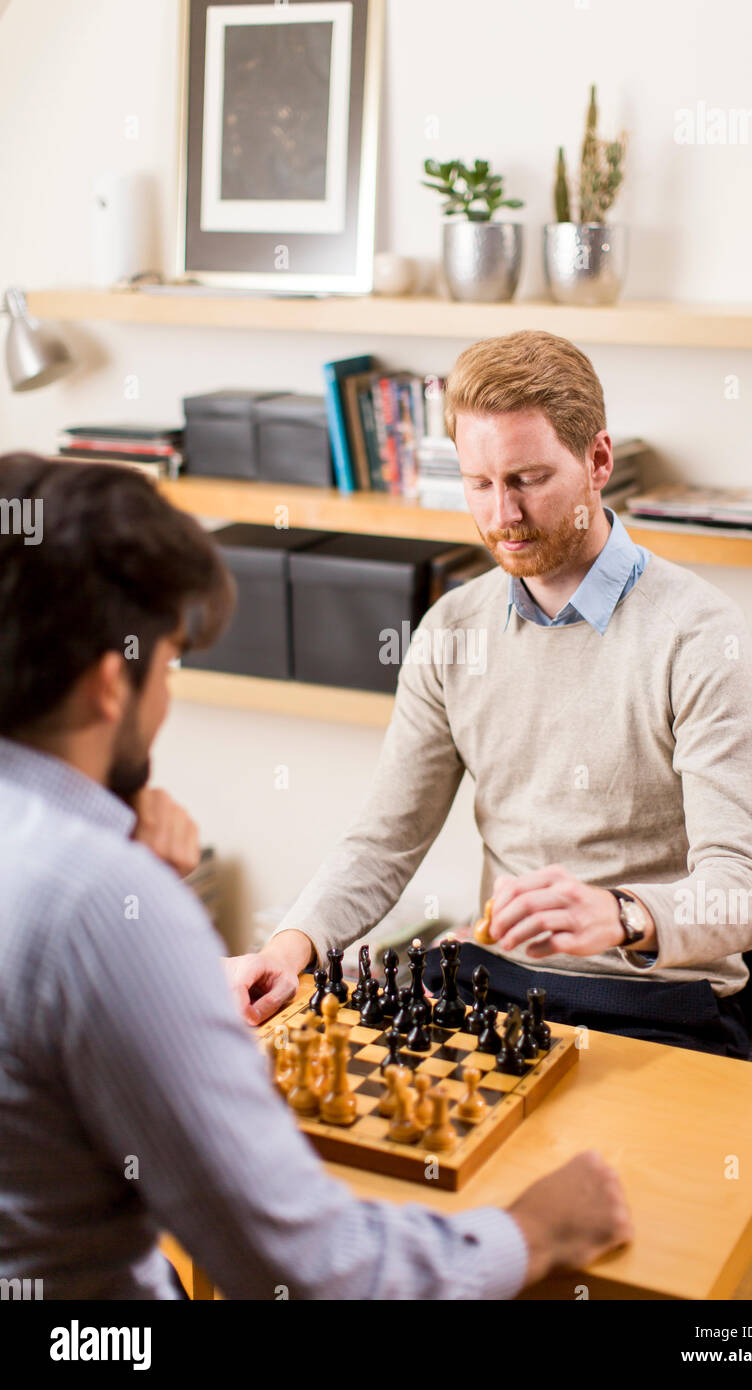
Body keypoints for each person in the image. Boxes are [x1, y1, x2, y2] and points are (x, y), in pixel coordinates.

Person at [0, 453, 631, 1300]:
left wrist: (112, 846)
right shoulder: (103, 911)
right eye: (171, 662)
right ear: (112, 684)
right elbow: (303, 1267)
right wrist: (531, 1231)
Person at [229, 331, 752, 1059]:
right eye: (479, 484)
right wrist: (288, 948)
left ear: (599, 462)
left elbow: (744, 893)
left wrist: (619, 914)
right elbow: (384, 840)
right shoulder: (451, 631)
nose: (502, 516)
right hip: (502, 988)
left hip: (659, 1004)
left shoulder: (700, 633)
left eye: (528, 479)